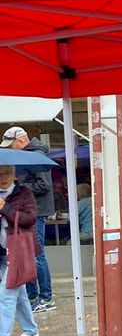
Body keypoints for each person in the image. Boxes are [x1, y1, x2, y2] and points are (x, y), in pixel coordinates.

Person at [0, 127, 55, 312]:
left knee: (36, 254)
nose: (11, 150)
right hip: (25, 212)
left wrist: (19, 188)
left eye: (12, 145)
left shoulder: (36, 158)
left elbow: (44, 185)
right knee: (26, 255)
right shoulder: (26, 156)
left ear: (21, 141)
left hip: (36, 212)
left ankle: (46, 298)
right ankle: (32, 296)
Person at [0, 165, 40, 336]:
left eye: (6, 173)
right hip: (2, 251)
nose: (2, 177)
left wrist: (4, 208)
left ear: (14, 175)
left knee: (5, 294)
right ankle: (31, 331)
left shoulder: (24, 193)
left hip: (19, 251)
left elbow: (30, 219)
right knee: (20, 294)